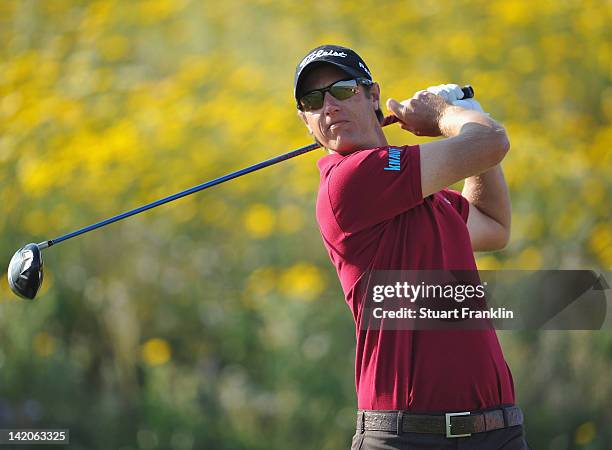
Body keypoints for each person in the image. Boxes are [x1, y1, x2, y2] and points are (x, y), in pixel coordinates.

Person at [293, 45, 531, 449]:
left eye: (343, 90)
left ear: (373, 97)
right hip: (406, 438)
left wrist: (466, 112)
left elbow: (493, 226)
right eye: (313, 100)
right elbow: (490, 140)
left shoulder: (425, 195)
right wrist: (448, 116)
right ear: (307, 123)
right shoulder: (350, 181)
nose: (329, 105)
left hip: (497, 432)